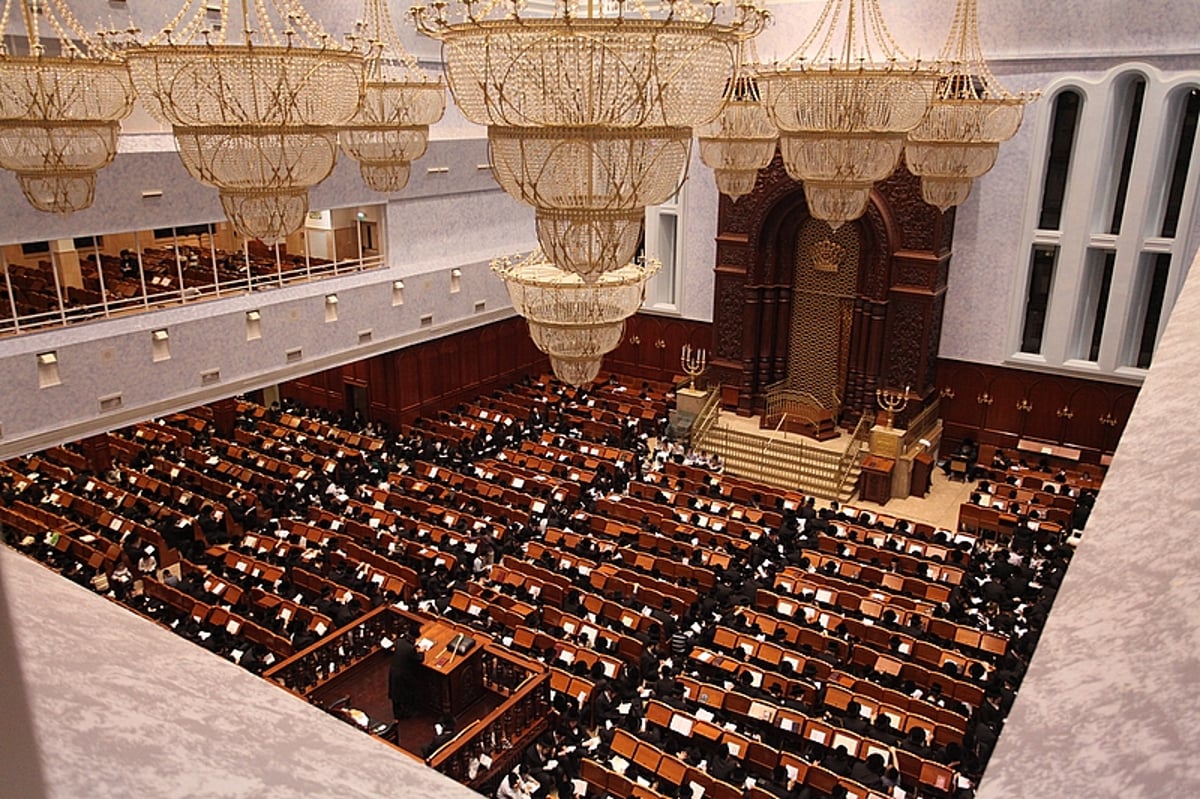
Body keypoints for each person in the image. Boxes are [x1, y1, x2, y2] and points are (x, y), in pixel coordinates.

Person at [388, 633, 425, 720]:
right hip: (402, 675)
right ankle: (407, 713)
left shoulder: (399, 642)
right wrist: (422, 651)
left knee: (395, 693)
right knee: (404, 693)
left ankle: (396, 713)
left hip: (393, 671)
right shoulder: (410, 649)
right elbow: (419, 659)